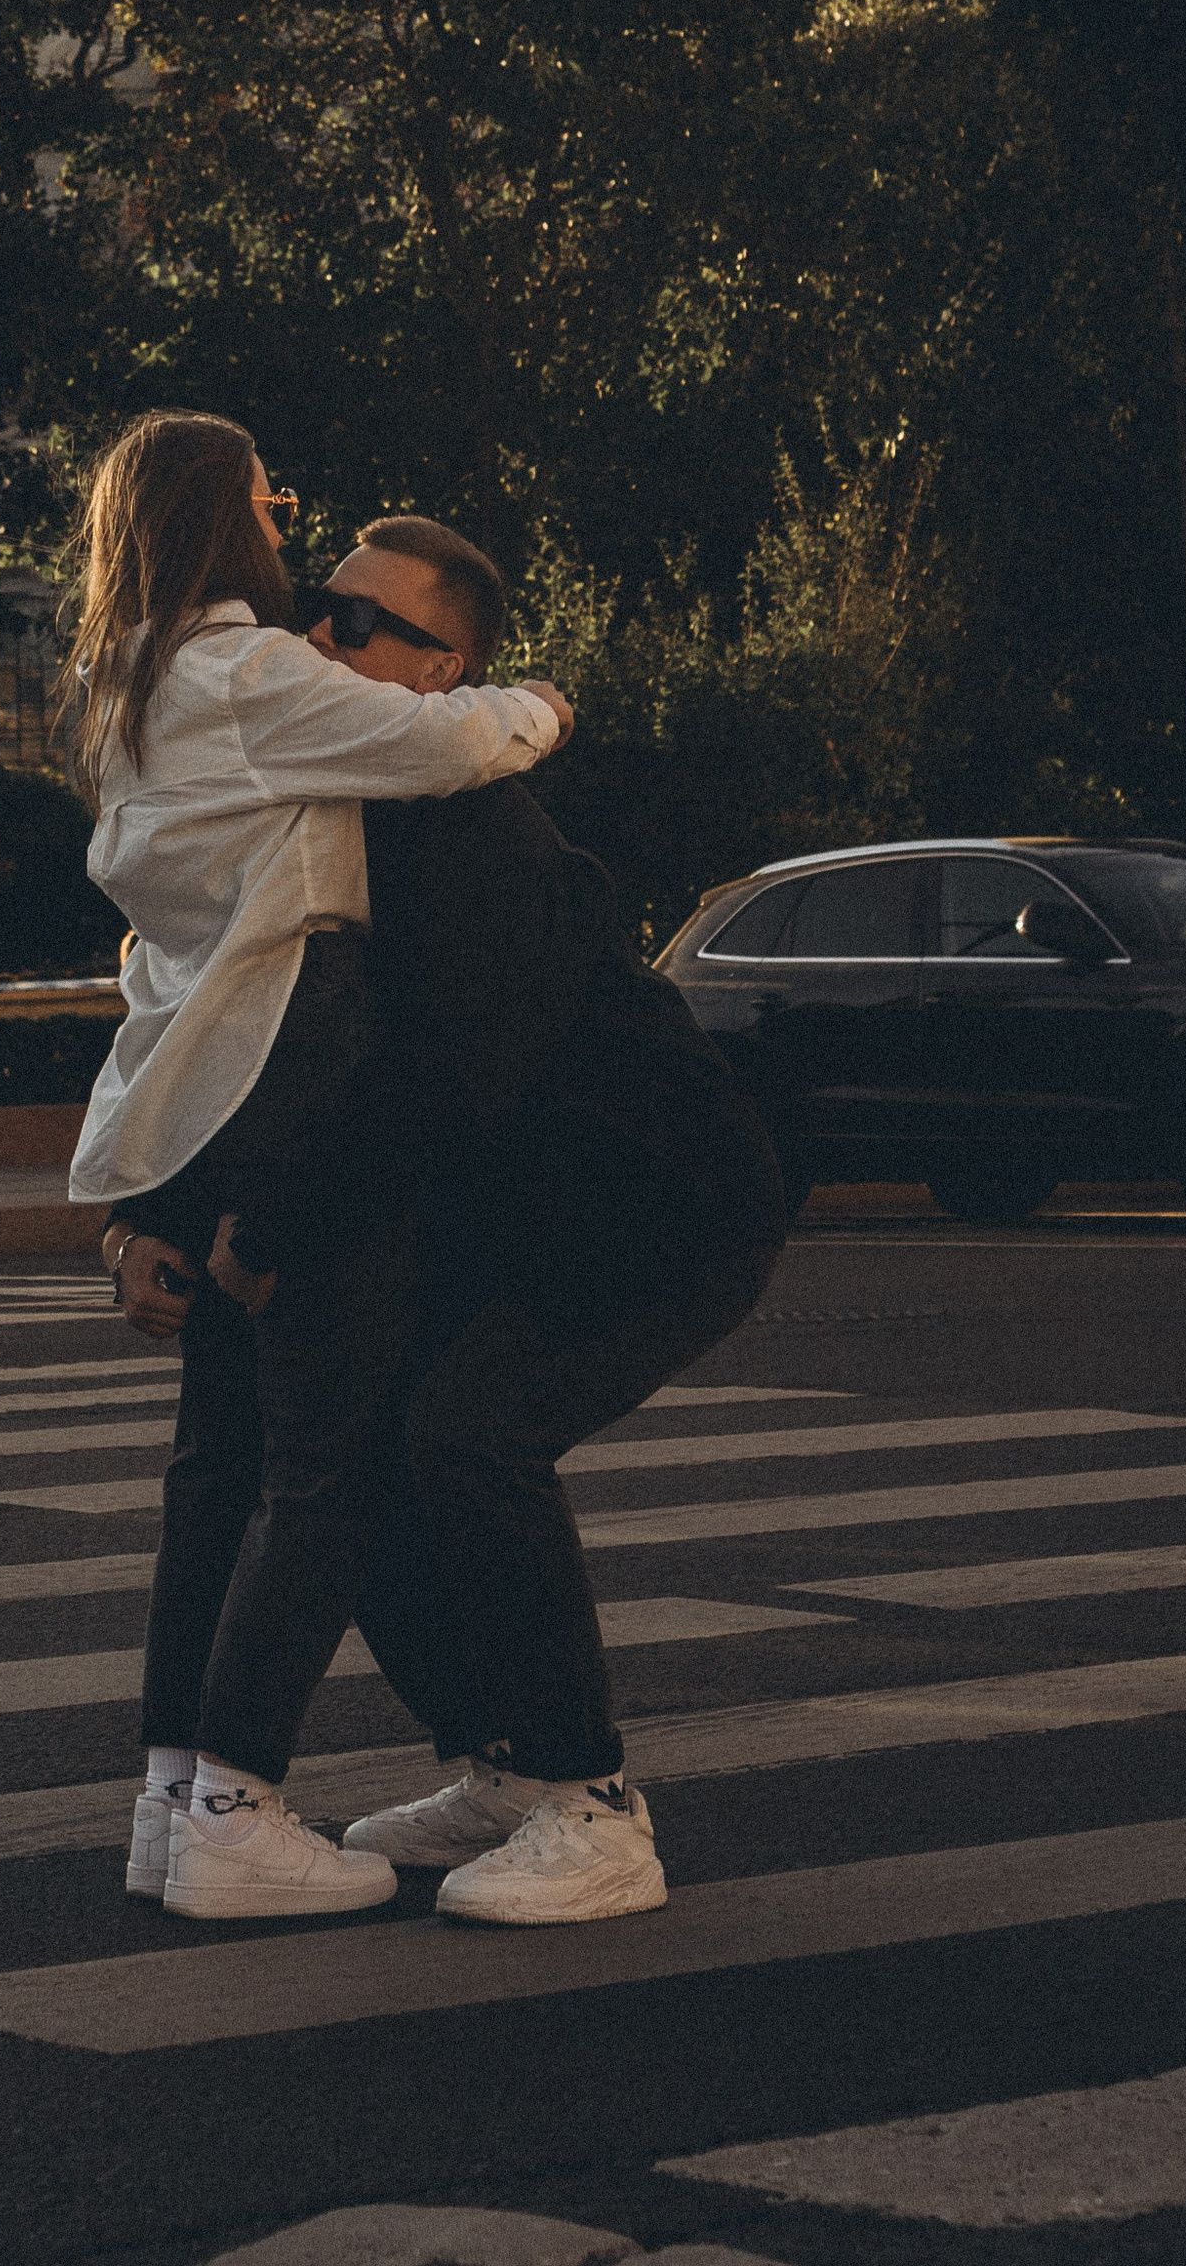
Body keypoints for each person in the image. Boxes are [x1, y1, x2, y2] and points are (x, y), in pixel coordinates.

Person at [68, 411, 570, 1923]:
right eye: (277, 511)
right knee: (321, 1466)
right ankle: (237, 1806)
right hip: (304, 1070)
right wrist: (541, 702)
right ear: (231, 514)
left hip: (207, 1092)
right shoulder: (249, 675)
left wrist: (148, 1196)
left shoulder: (124, 697)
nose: (296, 547)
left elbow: (164, 971)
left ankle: (174, 1797)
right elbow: (442, 738)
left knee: (220, 1469)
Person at [308, 515, 789, 1926]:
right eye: (314, 610)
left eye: (354, 625)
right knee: (362, 1449)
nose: (315, 640)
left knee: (470, 1433)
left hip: (654, 1200)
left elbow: (449, 1077)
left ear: (444, 667)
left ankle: (593, 1803)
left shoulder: (470, 827)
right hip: (527, 1201)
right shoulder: (365, 792)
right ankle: (503, 1765)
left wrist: (277, 1233)